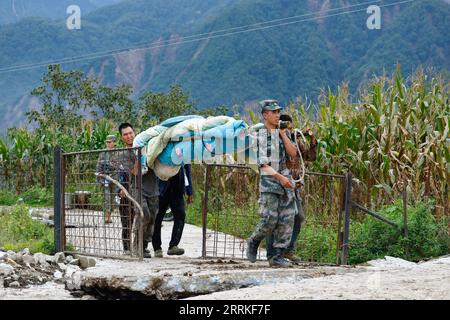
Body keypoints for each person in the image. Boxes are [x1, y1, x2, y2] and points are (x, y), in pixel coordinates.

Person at [246, 99, 298, 267]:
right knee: (270, 220)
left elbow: (293, 154)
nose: (277, 115)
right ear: (265, 115)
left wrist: (283, 134)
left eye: (278, 112)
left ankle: (277, 257)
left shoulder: (283, 132)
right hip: (270, 183)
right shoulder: (259, 135)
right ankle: (254, 240)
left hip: (286, 182)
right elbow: (263, 165)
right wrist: (281, 178)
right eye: (273, 112)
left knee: (287, 219)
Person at [265, 114, 318, 264]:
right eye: (285, 126)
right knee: (275, 219)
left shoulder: (295, 142)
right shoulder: (275, 141)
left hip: (294, 186)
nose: (289, 129)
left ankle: (287, 249)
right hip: (279, 185)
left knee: (298, 216)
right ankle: (274, 254)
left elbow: (310, 157)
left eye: (290, 126)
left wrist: (312, 139)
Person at [117, 123, 159, 258]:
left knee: (151, 219)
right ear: (121, 137)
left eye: (130, 133)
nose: (129, 136)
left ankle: (143, 246)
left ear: (135, 133)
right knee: (140, 215)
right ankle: (133, 246)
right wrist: (141, 155)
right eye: (125, 134)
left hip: (152, 187)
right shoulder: (124, 154)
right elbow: (134, 172)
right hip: (135, 188)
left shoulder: (147, 145)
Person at [152, 164, 193, 257]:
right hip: (161, 188)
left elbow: (187, 171)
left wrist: (189, 191)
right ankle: (157, 247)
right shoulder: (161, 149)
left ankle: (173, 245)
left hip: (177, 188)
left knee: (180, 215)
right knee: (157, 218)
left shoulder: (183, 150)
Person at [95, 134, 118, 224]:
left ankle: (109, 215)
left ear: (114, 143)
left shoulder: (118, 152)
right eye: (107, 142)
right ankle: (106, 217)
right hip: (104, 178)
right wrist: (98, 178)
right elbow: (98, 165)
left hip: (115, 178)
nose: (108, 144)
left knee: (113, 198)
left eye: (110, 142)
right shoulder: (103, 153)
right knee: (106, 198)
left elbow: (120, 165)